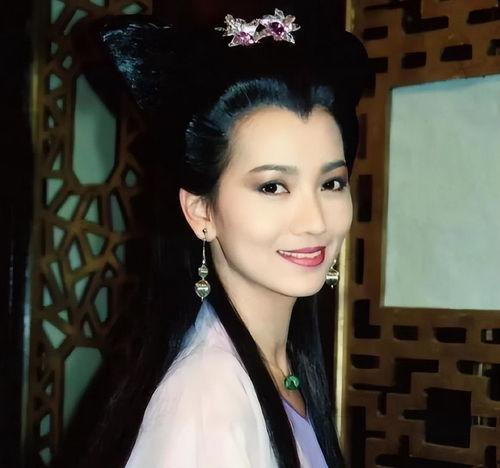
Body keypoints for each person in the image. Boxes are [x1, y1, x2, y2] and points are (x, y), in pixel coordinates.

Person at [79, 6, 369, 468]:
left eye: (331, 183)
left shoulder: (278, 364)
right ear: (201, 211)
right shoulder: (208, 402)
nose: (315, 220)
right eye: (273, 187)